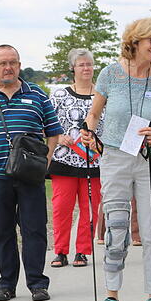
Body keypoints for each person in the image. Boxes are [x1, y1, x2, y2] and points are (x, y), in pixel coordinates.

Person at [81, 18, 151, 301]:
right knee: (117, 226)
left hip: (150, 158)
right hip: (115, 157)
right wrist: (88, 132)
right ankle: (112, 298)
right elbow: (94, 114)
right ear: (135, 40)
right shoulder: (110, 74)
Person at [0, 45, 62, 301]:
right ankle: (6, 285)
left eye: (13, 62)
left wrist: (45, 163)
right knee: (2, 231)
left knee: (34, 230)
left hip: (31, 177)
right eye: (3, 63)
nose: (8, 67)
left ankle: (38, 284)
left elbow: (53, 131)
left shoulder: (37, 94)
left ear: (20, 65)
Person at [48, 49, 104, 269]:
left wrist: (98, 143)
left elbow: (108, 125)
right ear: (73, 68)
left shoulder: (101, 95)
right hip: (64, 161)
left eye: (89, 64)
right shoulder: (59, 94)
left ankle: (82, 250)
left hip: (94, 161)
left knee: (90, 208)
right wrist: (58, 137)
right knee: (62, 208)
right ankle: (60, 251)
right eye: (81, 65)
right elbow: (46, 123)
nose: (86, 69)